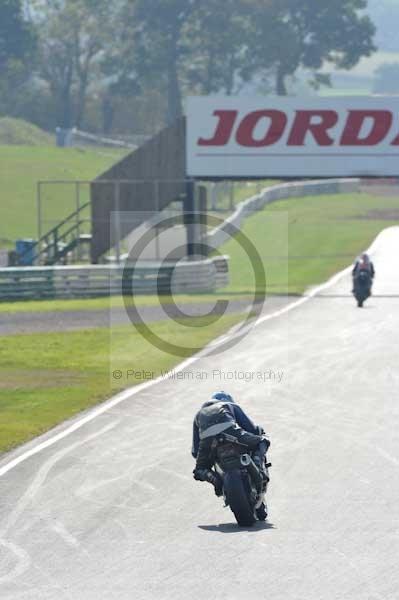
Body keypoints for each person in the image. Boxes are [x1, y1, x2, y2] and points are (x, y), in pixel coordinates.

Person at [192, 391, 270, 496]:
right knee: (263, 440)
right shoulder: (229, 405)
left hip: (208, 441)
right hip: (232, 433)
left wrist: (207, 457)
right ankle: (257, 464)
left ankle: (215, 479)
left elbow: (195, 451)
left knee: (199, 470)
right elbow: (251, 429)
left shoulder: (198, 414)